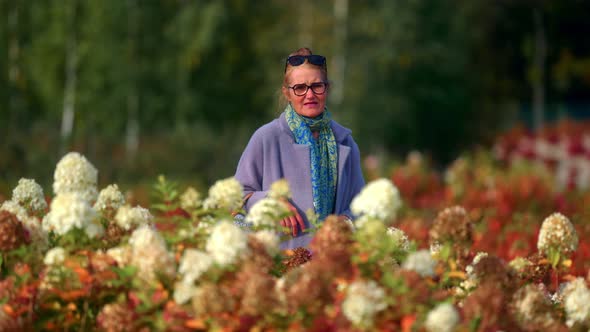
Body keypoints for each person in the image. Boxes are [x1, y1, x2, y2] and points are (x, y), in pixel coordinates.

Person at [234, 47, 365, 249]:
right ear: (287, 93)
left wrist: (345, 222)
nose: (310, 94)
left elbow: (361, 205)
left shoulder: (345, 142)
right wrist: (271, 202)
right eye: (300, 88)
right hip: (276, 265)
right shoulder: (266, 137)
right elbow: (237, 196)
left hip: (330, 264)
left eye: (317, 86)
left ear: (327, 88)